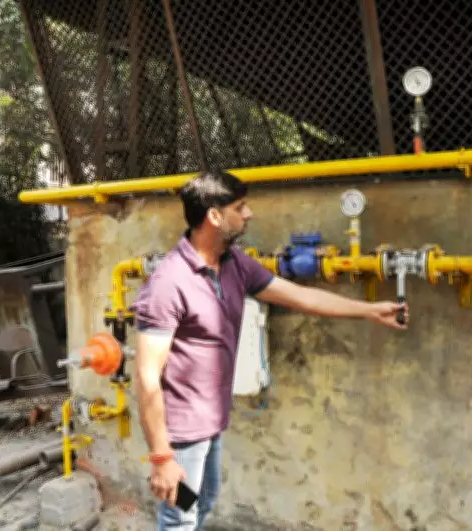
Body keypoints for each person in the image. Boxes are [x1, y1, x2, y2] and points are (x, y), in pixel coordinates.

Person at [132, 170, 408, 530]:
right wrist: (161, 457)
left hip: (210, 420)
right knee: (179, 519)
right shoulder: (169, 283)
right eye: (239, 208)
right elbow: (147, 377)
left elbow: (301, 296)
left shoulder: (234, 264)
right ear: (214, 216)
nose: (249, 214)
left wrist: (370, 311)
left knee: (201, 503)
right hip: (180, 433)